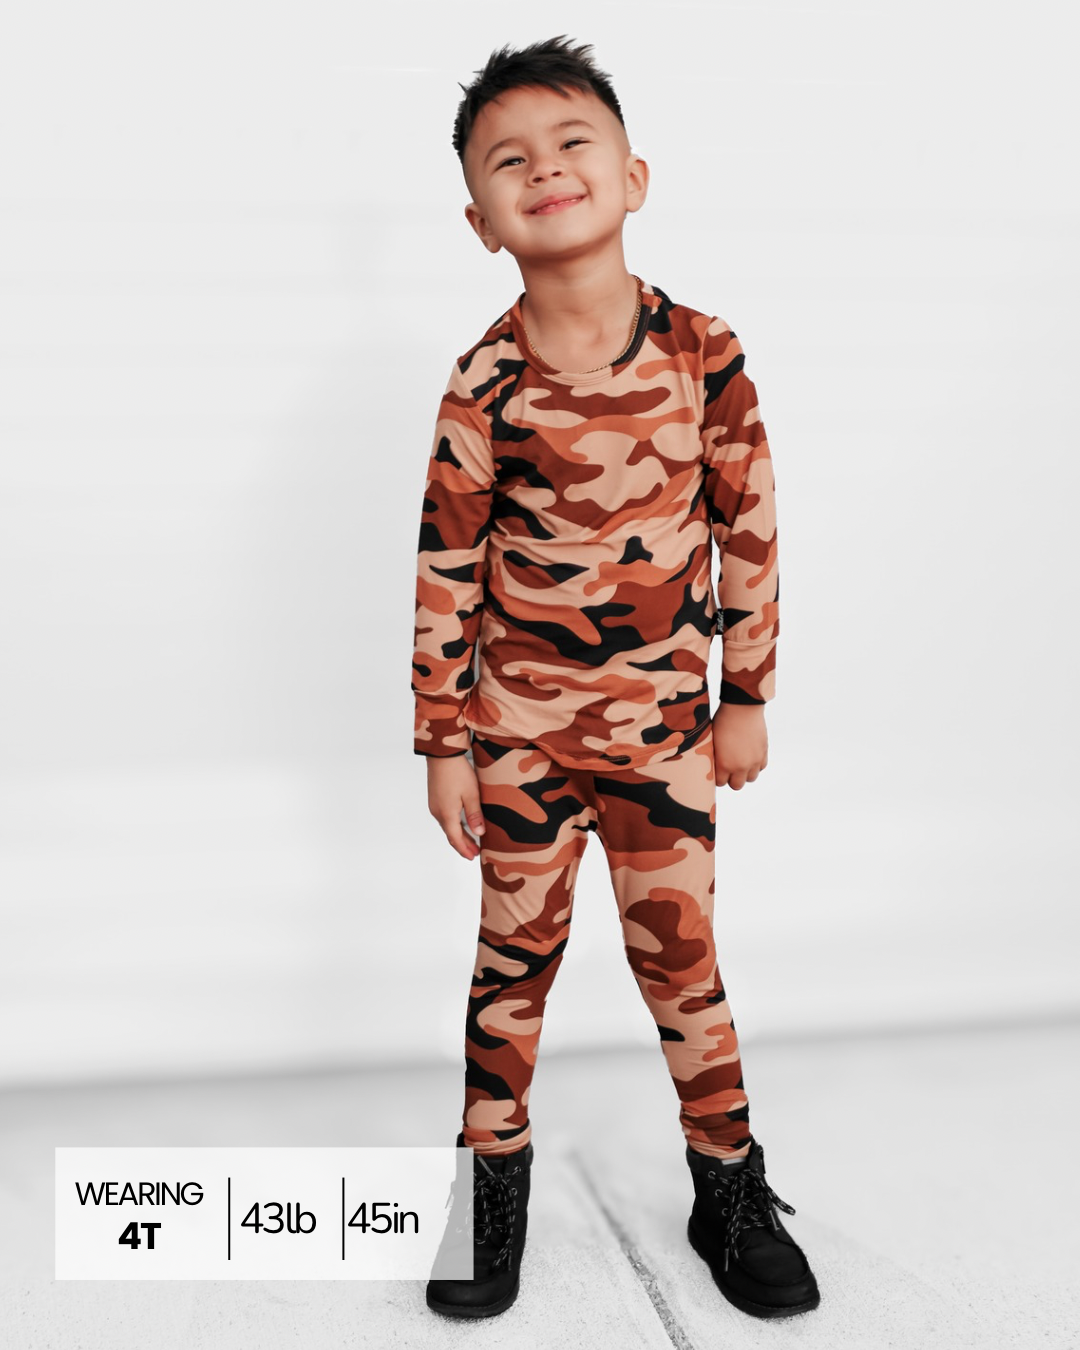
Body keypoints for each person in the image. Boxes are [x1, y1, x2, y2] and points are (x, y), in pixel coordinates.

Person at [412, 34, 820, 1322]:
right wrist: (443, 739)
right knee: (509, 972)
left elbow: (750, 529)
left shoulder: (704, 354)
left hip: (664, 739)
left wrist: (746, 695)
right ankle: (490, 1186)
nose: (545, 169)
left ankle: (728, 1184)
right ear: (480, 222)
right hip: (519, 739)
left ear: (634, 177)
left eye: (572, 142)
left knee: (684, 969)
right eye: (508, 160)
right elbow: (446, 569)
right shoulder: (485, 385)